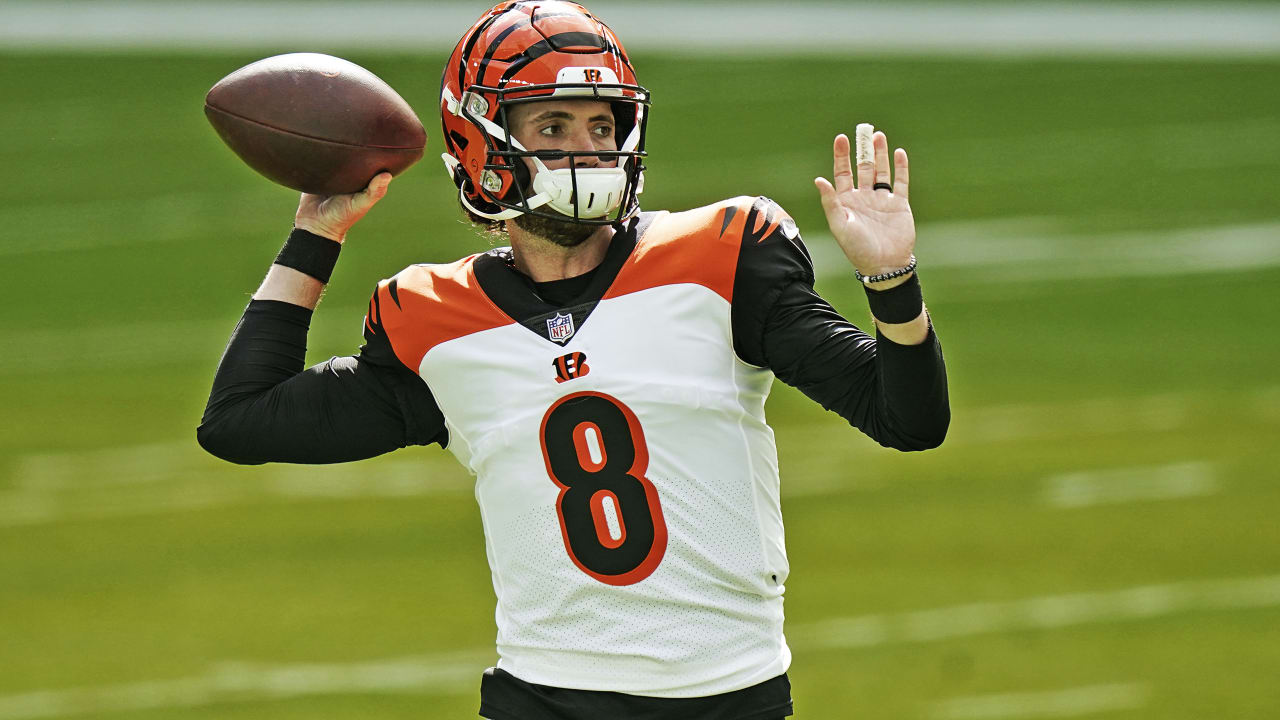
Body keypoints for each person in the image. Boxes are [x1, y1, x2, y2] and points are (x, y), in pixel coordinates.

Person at [197, 2, 949, 718]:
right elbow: (238, 421)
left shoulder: (719, 261)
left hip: (728, 697)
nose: (586, 148)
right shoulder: (435, 320)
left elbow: (907, 418)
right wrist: (317, 233)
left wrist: (891, 281)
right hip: (545, 696)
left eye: (601, 123)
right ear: (482, 142)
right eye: (552, 124)